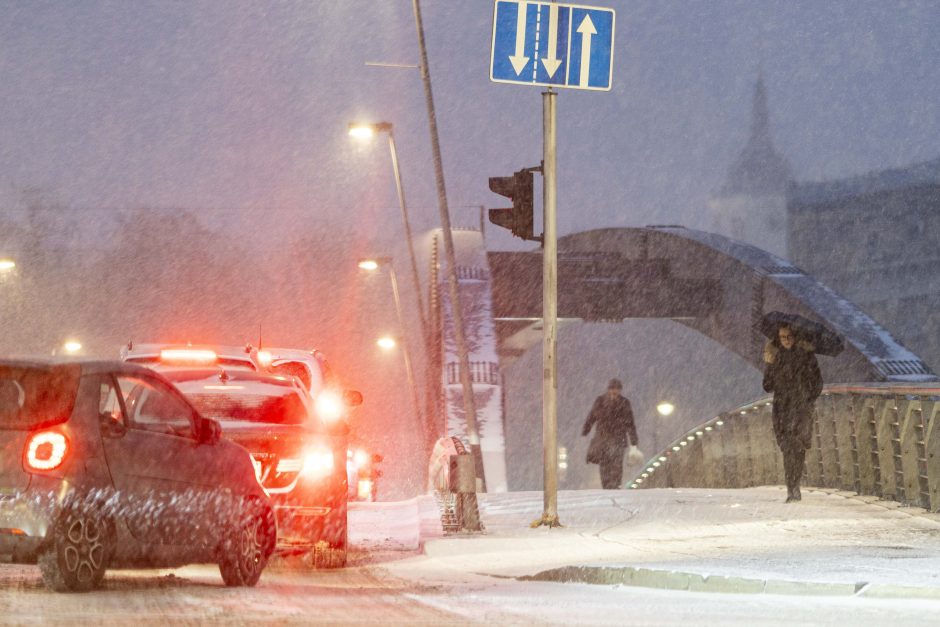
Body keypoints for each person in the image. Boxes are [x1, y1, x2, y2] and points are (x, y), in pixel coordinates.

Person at [762, 324, 822, 503]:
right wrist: (769, 365)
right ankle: (792, 488)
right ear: (778, 339)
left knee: (799, 447)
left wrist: (807, 398)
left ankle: (794, 486)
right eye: (782, 337)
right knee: (788, 448)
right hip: (783, 409)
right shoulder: (775, 358)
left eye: (788, 336)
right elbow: (767, 386)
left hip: (802, 408)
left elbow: (818, 383)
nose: (786, 340)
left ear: (795, 337)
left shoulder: (807, 357)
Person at [582, 378, 640, 489]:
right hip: (603, 438)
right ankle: (607, 485)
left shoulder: (624, 403)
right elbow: (592, 416)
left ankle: (615, 485)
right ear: (609, 389)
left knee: (617, 463)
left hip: (618, 438)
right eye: (612, 388)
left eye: (617, 389)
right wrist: (586, 428)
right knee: (605, 464)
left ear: (620, 390)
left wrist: (634, 440)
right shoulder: (600, 401)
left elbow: (630, 422)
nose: (615, 391)